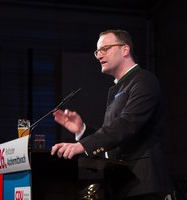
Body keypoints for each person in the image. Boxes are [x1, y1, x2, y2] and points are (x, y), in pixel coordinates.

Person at [51, 29, 171, 200]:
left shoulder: (144, 80)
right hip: (123, 182)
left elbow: (128, 124)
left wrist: (83, 145)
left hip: (143, 184)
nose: (99, 55)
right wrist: (82, 130)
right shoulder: (119, 88)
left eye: (105, 48)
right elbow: (114, 139)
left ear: (125, 49)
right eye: (97, 51)